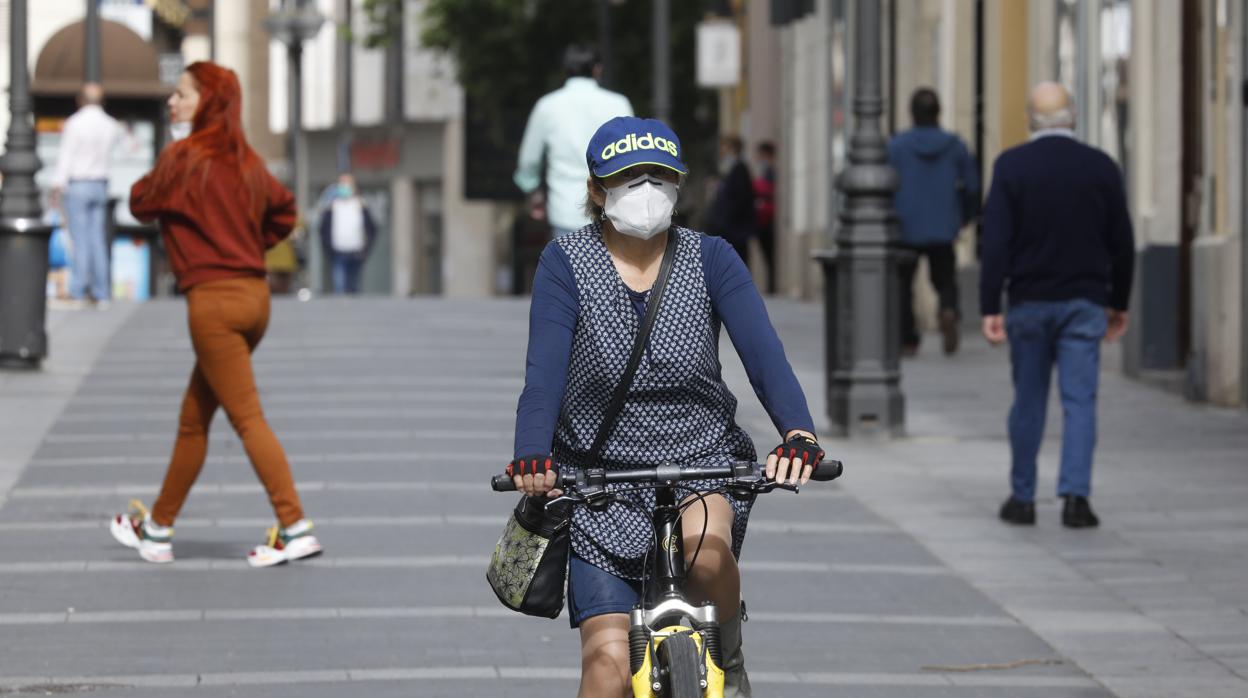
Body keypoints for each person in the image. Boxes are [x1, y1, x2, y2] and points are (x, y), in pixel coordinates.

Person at [507, 116, 824, 697]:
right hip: (596, 480)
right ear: (598, 190)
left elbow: (764, 354)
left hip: (701, 463)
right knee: (605, 666)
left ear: (680, 186)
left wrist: (797, 432)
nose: (647, 188)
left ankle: (728, 655)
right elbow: (543, 374)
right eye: (630, 177)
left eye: (661, 176)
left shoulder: (712, 258)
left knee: (707, 556)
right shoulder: (565, 262)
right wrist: (532, 455)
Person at [110, 62, 322, 566]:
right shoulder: (247, 162)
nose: (172, 102)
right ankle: (158, 529)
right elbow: (286, 211)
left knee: (246, 417)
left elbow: (139, 202)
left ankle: (294, 525)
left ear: (208, 102)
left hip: (214, 304)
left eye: (182, 94)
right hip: (254, 298)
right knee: (194, 418)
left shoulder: (184, 159)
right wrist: (248, 244)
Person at [980, 82, 1134, 529]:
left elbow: (996, 241)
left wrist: (991, 304)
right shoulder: (1100, 166)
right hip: (1085, 302)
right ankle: (1076, 499)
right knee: (1080, 400)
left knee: (1028, 400)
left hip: (1028, 302)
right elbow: (1121, 242)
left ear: (1030, 120)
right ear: (1075, 116)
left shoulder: (1011, 166)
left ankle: (1023, 498)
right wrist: (1118, 301)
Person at [888, 88, 980, 356]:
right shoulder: (954, 145)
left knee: (903, 285)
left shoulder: (896, 146)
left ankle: (908, 339)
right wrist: (965, 215)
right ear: (938, 112)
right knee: (946, 278)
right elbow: (972, 186)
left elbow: (886, 184)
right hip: (943, 224)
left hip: (905, 225)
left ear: (912, 114)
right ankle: (948, 309)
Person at [513, 44, 634, 239]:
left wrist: (534, 192)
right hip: (612, 210)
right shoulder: (619, 103)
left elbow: (529, 161)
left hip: (564, 211)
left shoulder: (547, 106)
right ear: (597, 69)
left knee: (568, 268)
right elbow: (632, 158)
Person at [51, 83, 123, 307]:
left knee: (80, 239)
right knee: (98, 239)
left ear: (80, 100)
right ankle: (102, 291)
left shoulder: (75, 123)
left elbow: (66, 155)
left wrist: (57, 184)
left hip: (79, 182)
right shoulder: (111, 124)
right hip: (101, 183)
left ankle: (79, 289)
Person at [318, 173, 377, 294]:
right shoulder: (331, 207)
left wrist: (366, 249)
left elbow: (372, 229)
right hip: (338, 252)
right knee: (340, 287)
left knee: (354, 286)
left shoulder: (360, 206)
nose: (344, 187)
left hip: (356, 252)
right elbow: (323, 230)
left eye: (347, 184)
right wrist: (328, 248)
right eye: (342, 184)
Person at [706, 135, 757, 265]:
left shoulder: (739, 168)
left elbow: (741, 198)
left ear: (732, 149)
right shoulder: (728, 168)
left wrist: (727, 219)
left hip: (735, 228)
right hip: (728, 226)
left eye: (725, 147)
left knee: (738, 259)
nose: (722, 151)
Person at [751, 141, 777, 294]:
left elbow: (766, 191)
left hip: (767, 219)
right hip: (763, 218)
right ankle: (770, 284)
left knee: (769, 254)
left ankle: (771, 285)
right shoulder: (765, 169)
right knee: (766, 254)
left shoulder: (771, 170)